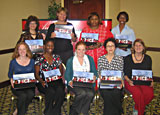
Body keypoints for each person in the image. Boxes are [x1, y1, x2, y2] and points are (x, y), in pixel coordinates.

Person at [65, 41, 98, 115]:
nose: (81, 52)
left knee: (90, 94)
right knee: (82, 93)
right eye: (79, 49)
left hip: (87, 83)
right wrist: (69, 81)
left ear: (86, 50)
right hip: (75, 83)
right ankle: (77, 112)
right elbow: (67, 74)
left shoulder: (90, 59)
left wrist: (94, 77)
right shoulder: (71, 60)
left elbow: (94, 72)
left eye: (83, 50)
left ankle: (80, 111)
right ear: (76, 50)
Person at [35, 39, 65, 115]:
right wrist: (41, 81)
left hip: (56, 81)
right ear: (44, 46)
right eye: (48, 45)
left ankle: (56, 111)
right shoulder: (39, 59)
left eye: (52, 45)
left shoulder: (57, 57)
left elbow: (61, 71)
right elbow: (36, 74)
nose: (50, 47)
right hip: (44, 81)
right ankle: (48, 111)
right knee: (50, 91)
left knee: (61, 91)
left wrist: (57, 76)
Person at [124, 39, 154, 115]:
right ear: (133, 47)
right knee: (138, 94)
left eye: (140, 45)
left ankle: (137, 107)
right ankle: (140, 112)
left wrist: (152, 80)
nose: (138, 47)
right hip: (131, 82)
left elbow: (149, 71)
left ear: (143, 47)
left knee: (150, 94)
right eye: (136, 45)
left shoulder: (148, 58)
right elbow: (125, 73)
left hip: (144, 82)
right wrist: (128, 81)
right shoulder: (127, 58)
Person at [98, 38, 124, 115]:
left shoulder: (120, 59)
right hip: (104, 84)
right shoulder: (101, 59)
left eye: (112, 46)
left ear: (115, 47)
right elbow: (99, 73)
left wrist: (121, 82)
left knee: (115, 93)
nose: (110, 48)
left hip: (116, 83)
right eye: (108, 46)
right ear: (105, 48)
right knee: (107, 94)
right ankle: (119, 109)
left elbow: (121, 73)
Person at [8, 42, 35, 115]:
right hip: (17, 85)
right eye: (20, 49)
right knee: (23, 96)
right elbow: (10, 74)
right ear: (17, 51)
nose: (22, 51)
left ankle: (18, 109)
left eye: (24, 49)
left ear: (27, 50)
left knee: (31, 94)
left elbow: (33, 74)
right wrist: (12, 82)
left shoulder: (32, 61)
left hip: (28, 85)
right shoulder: (13, 62)